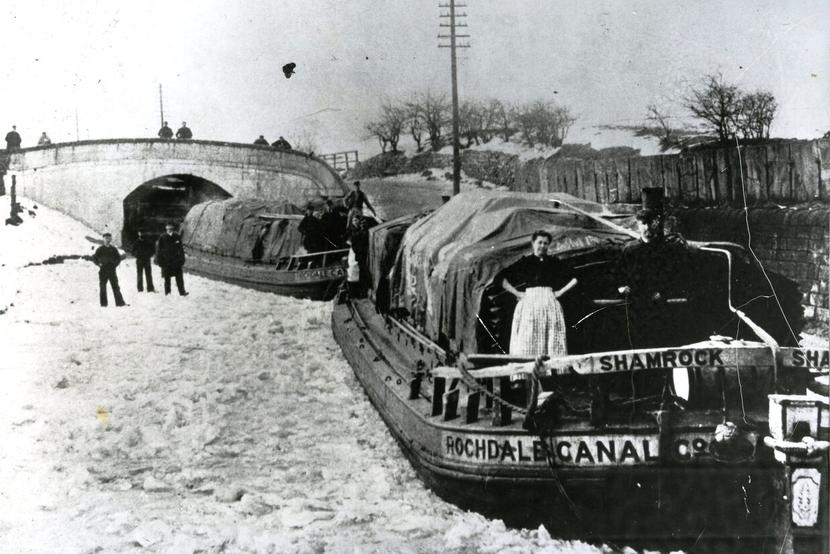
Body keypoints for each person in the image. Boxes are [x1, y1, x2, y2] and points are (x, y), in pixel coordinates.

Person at [615, 187, 692, 348]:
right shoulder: (630, 250)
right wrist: (621, 288)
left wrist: (663, 292)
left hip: (657, 302)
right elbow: (617, 273)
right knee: (637, 341)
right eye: (643, 224)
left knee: (659, 339)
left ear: (656, 224)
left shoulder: (666, 250)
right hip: (635, 303)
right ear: (638, 225)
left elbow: (673, 275)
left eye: (650, 224)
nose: (647, 228)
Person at [502, 230, 577, 358]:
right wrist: (517, 293)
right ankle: (527, 371)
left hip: (549, 302)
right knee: (528, 338)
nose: (542, 246)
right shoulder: (525, 262)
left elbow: (575, 278)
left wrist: (560, 292)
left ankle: (553, 373)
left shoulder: (554, 262)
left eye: (546, 243)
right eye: (539, 242)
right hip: (529, 303)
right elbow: (500, 278)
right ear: (533, 243)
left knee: (552, 337)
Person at [92, 232, 127, 307]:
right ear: (103, 239)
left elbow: (118, 258)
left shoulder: (113, 249)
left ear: (111, 239)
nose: (107, 240)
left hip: (111, 270)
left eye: (109, 238)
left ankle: (120, 303)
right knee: (103, 287)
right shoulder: (100, 249)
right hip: (103, 271)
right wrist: (99, 264)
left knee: (115, 286)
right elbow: (94, 258)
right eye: (106, 238)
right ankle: (103, 304)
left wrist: (114, 264)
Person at [156, 223, 188, 296]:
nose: (169, 228)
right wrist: (160, 261)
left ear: (173, 227)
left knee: (179, 278)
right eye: (168, 227)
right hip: (166, 261)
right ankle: (168, 293)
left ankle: (182, 292)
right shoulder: (162, 237)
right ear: (166, 227)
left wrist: (182, 259)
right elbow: (159, 250)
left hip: (176, 261)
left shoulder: (177, 236)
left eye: (171, 227)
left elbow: (181, 249)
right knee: (167, 279)